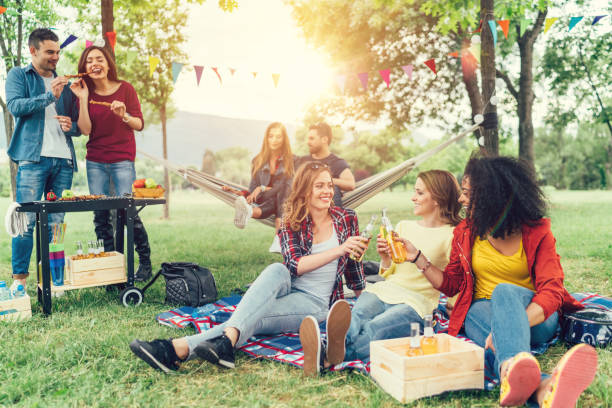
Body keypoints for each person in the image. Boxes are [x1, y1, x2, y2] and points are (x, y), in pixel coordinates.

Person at [129, 161, 367, 373]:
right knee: (277, 269)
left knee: (253, 318)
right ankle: (223, 344)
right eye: (319, 186)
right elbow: (295, 266)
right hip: (288, 286)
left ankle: (177, 349)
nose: (327, 191)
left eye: (329, 185)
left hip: (315, 302)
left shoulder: (346, 218)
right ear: (305, 190)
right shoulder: (290, 222)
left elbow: (354, 266)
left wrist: (362, 301)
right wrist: (340, 248)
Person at [399, 156, 597, 407]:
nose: (461, 199)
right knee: (478, 315)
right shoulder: (465, 232)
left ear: (492, 198)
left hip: (536, 316)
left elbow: (552, 291)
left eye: (468, 194)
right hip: (483, 312)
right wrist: (417, 257)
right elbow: (451, 284)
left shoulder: (537, 231)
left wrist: (509, 326)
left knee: (504, 292)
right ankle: (542, 387)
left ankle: (515, 366)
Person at [301, 170, 462, 369]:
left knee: (375, 328)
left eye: (419, 193)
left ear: (437, 198)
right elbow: (389, 271)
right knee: (356, 317)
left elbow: (453, 281)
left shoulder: (452, 235)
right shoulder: (403, 226)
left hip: (416, 303)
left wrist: (419, 258)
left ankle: (324, 355)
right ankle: (327, 350)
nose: (413, 197)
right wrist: (385, 258)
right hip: (385, 290)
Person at [5, 28, 80, 290]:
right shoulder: (18, 75)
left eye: (58, 52)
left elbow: (77, 126)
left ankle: (50, 281)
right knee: (25, 222)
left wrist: (72, 125)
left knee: (56, 225)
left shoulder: (66, 83)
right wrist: (50, 96)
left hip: (63, 162)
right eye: (50, 52)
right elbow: (15, 106)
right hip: (33, 160)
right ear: (33, 50)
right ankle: (20, 283)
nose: (56, 57)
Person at [69, 45, 152, 282]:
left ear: (108, 64)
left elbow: (139, 124)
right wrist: (83, 100)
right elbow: (85, 130)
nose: (95, 63)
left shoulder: (125, 89)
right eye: (89, 61)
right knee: (101, 215)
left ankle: (144, 263)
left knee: (127, 212)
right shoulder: (83, 92)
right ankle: (110, 269)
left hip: (122, 160)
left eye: (99, 59)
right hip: (95, 161)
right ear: (84, 68)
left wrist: (123, 115)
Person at [232, 122, 294, 252]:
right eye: (271, 136)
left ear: (284, 139)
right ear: (266, 138)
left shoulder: (291, 160)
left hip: (286, 200)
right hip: (264, 199)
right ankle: (279, 236)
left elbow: (286, 186)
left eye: (278, 136)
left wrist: (262, 188)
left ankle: (250, 212)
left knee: (282, 191)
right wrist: (239, 192)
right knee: (277, 195)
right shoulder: (257, 160)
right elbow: (252, 188)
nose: (274, 140)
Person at [296, 122, 355, 207]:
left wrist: (324, 181)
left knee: (334, 189)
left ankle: (333, 219)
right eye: (308, 139)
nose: (308, 142)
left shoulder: (337, 162)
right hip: (303, 208)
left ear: (324, 139)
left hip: (327, 208)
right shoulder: (303, 161)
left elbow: (350, 184)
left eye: (312, 139)